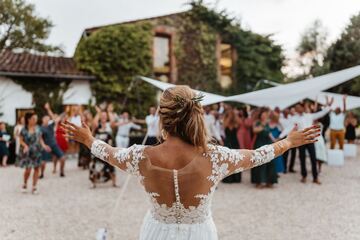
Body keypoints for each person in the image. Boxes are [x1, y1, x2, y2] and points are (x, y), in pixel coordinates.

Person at [62, 85, 320, 240]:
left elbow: (107, 152)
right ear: (196, 115)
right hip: (199, 234)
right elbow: (258, 155)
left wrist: (87, 139)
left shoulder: (140, 156)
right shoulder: (217, 157)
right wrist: (288, 142)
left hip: (156, 233)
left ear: (162, 118)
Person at [292, 101, 331, 184]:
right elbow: (290, 128)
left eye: (298, 107)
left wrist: (328, 106)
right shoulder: (294, 118)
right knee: (302, 158)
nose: (297, 109)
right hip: (301, 140)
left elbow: (322, 113)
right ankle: (304, 176)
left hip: (310, 140)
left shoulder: (309, 116)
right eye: (296, 107)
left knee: (313, 158)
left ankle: (315, 177)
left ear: (302, 108)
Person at [19, 112, 51, 194]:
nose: (35, 120)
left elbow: (40, 139)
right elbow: (21, 141)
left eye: (36, 119)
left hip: (37, 151)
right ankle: (25, 184)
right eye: (33, 119)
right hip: (28, 152)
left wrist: (44, 146)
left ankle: (34, 187)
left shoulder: (38, 128)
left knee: (37, 169)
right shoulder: (23, 129)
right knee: (28, 170)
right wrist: (25, 146)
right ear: (29, 119)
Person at [251, 108, 278, 188]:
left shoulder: (268, 123)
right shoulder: (257, 122)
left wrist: (274, 140)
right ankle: (258, 182)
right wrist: (263, 124)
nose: (264, 116)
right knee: (260, 162)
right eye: (263, 115)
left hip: (268, 143)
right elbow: (255, 130)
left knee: (270, 162)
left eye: (265, 115)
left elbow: (269, 133)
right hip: (259, 143)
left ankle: (270, 181)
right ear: (260, 115)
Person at [90, 109, 116, 188]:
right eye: (102, 116)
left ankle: (114, 183)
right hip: (98, 149)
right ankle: (94, 183)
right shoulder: (98, 125)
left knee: (111, 165)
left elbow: (113, 122)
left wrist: (109, 111)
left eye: (105, 116)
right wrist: (98, 113)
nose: (103, 117)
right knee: (95, 165)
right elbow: (94, 123)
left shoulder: (109, 125)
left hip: (108, 149)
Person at [40, 103, 66, 178]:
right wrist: (44, 146)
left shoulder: (50, 125)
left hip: (54, 144)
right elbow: (40, 138)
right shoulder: (40, 128)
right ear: (43, 120)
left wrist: (48, 109)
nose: (47, 120)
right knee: (43, 162)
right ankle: (41, 174)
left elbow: (56, 119)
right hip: (46, 146)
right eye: (46, 119)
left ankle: (61, 172)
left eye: (48, 119)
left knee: (63, 158)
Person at [222, 108, 241, 183]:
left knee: (236, 159)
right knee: (227, 159)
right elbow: (225, 125)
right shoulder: (225, 121)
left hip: (235, 142)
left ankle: (236, 178)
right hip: (227, 142)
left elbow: (240, 122)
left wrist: (235, 114)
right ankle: (228, 178)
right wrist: (229, 115)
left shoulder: (235, 123)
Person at [279, 108, 297, 173]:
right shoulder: (280, 119)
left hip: (293, 137)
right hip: (285, 137)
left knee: (293, 153)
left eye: (288, 110)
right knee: (285, 153)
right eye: (285, 110)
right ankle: (284, 168)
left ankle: (291, 168)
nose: (287, 111)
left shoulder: (291, 118)